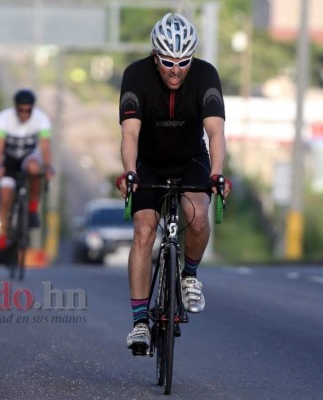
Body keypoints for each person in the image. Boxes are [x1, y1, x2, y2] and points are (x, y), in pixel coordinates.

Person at [115, 13, 232, 353]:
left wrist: (217, 174)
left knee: (197, 213)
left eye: (183, 62)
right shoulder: (135, 75)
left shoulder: (206, 74)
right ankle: (139, 322)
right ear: (155, 57)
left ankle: (189, 275)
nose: (176, 70)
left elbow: (216, 132)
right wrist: (129, 171)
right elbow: (129, 132)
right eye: (168, 62)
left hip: (190, 159)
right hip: (148, 163)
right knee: (143, 230)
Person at [0, 89, 54, 252]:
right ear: (15, 107)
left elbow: (45, 146)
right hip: (9, 160)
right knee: (5, 197)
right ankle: (2, 236)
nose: (24, 114)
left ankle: (33, 207)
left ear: (33, 108)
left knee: (35, 169)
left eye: (28, 110)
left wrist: (48, 167)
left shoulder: (41, 119)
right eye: (21, 109)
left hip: (29, 157)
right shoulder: (3, 118)